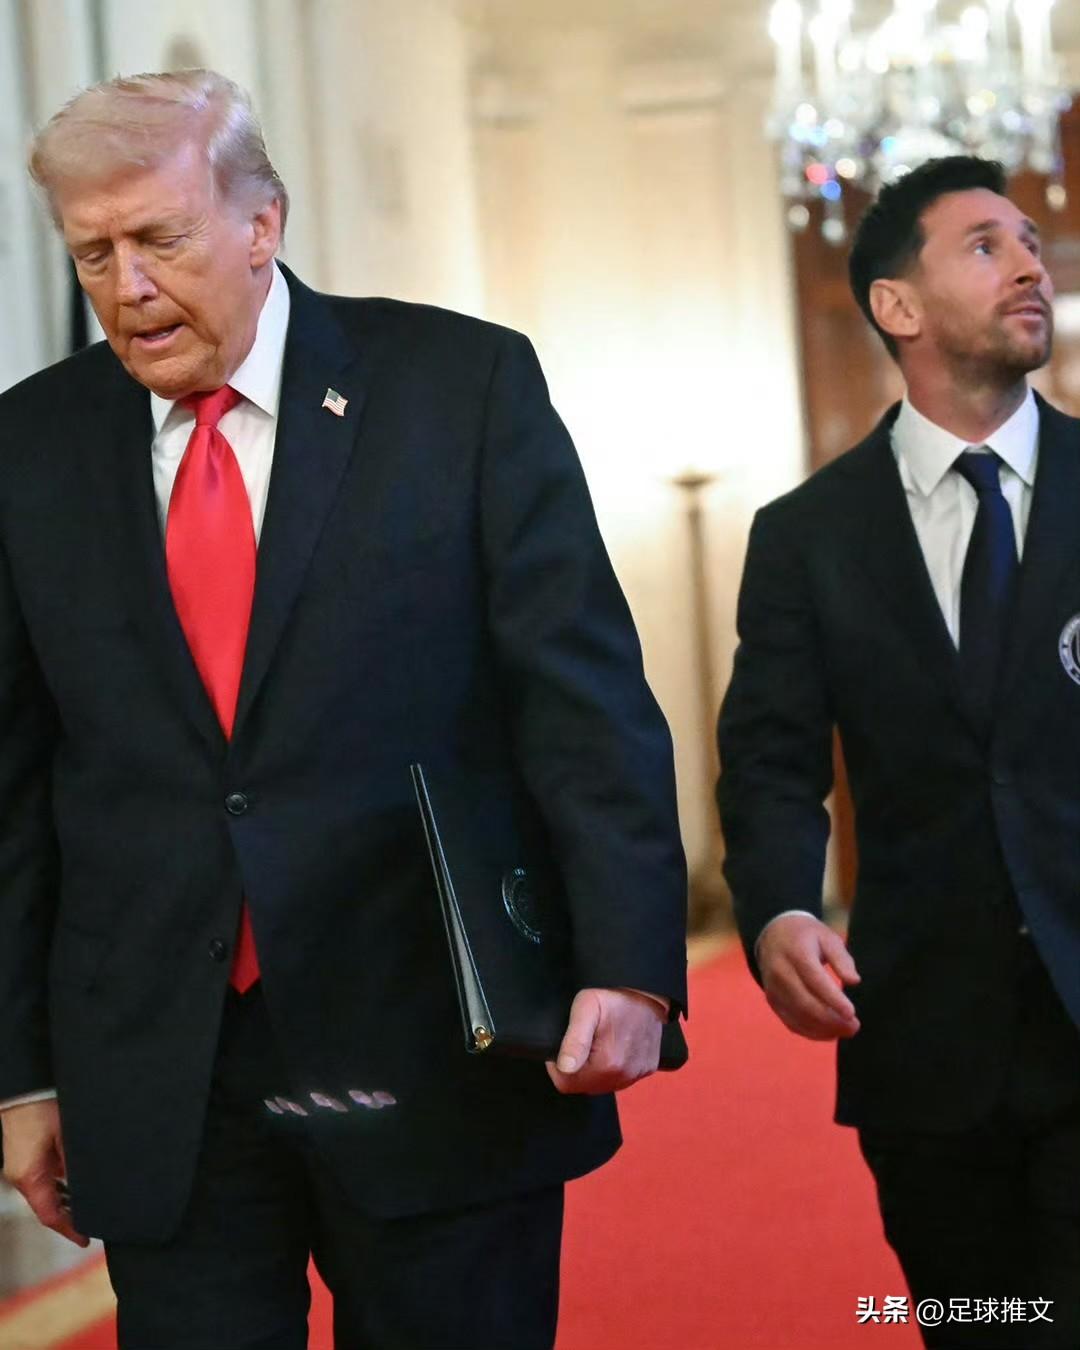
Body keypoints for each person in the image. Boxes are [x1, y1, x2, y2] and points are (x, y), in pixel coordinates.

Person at [0, 70, 687, 1350]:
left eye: (160, 239)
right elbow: (16, 783)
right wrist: (20, 1073)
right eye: (93, 253)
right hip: (166, 1066)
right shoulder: (28, 447)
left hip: (431, 1033)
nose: (127, 286)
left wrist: (631, 962)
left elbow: (580, 697)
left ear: (262, 222)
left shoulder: (457, 387)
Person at [717, 155, 1080, 1350]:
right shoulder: (807, 538)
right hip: (928, 1047)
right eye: (985, 244)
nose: (1029, 263)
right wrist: (779, 910)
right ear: (897, 305)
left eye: (1028, 239)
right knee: (983, 1326)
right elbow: (771, 760)